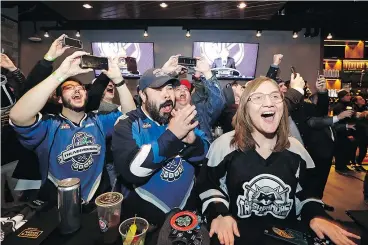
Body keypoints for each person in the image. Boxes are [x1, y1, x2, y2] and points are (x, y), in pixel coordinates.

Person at [197, 77, 360, 245]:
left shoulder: (297, 150)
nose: (269, 103)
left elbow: (308, 194)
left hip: (286, 236)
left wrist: (315, 215)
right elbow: (210, 187)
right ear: (245, 107)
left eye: (275, 96)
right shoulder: (224, 146)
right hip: (238, 236)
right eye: (258, 97)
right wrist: (219, 214)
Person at [9, 51, 136, 204]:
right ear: (59, 98)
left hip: (97, 199)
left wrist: (118, 80)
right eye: (69, 87)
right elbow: (18, 116)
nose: (77, 89)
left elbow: (130, 114)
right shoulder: (48, 126)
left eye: (81, 87)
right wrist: (61, 74)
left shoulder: (99, 121)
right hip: (58, 202)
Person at [112, 65, 210, 228]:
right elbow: (132, 170)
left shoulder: (180, 118)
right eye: (158, 89)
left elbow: (206, 154)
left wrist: (193, 143)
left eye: (170, 88)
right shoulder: (127, 123)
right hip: (146, 223)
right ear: (142, 95)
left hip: (186, 215)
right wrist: (172, 136)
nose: (167, 94)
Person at [173, 56, 225, 141]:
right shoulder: (165, 115)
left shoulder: (201, 111)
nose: (182, 91)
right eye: (178, 89)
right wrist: (170, 73)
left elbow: (218, 102)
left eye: (186, 89)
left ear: (190, 96)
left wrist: (207, 72)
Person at [333, 90, 357, 174]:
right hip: (341, 132)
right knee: (341, 151)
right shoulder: (339, 106)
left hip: (348, 130)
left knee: (346, 150)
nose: (349, 97)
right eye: (347, 95)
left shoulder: (348, 105)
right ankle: (339, 167)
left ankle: (343, 166)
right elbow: (341, 121)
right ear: (342, 97)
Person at [351, 95, 368, 171]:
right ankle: (353, 163)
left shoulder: (366, 107)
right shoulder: (352, 108)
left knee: (363, 149)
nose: (363, 100)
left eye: (363, 98)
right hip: (355, 131)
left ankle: (359, 162)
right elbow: (354, 118)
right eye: (360, 99)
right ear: (356, 102)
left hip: (364, 132)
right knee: (353, 148)